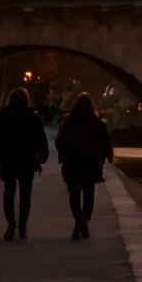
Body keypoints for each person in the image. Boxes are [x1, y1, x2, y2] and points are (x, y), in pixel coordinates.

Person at [0, 89, 50, 241]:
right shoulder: (32, 117)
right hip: (27, 159)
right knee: (25, 193)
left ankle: (11, 221)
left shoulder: (3, 117)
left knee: (9, 191)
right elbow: (40, 138)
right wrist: (43, 155)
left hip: (8, 158)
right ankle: (23, 224)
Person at [53, 94, 113, 241]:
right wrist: (106, 157)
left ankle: (78, 221)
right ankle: (84, 221)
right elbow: (105, 143)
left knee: (74, 194)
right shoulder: (97, 123)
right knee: (88, 194)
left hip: (72, 163)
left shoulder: (68, 122)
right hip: (90, 163)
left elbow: (60, 141)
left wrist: (64, 154)